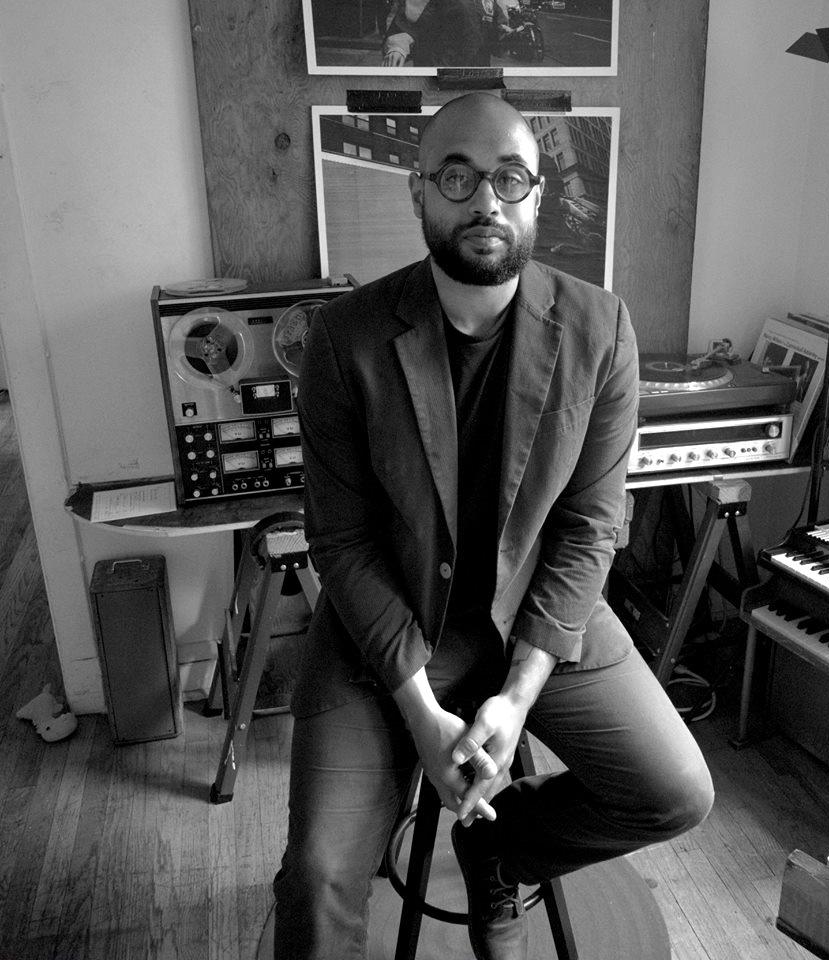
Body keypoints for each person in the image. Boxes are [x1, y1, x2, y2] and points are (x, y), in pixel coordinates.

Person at [273, 92, 714, 960]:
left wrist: (518, 697)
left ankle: (500, 845)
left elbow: (591, 527)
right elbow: (342, 543)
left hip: (541, 618)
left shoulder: (602, 327)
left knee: (677, 793)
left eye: (510, 178)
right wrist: (421, 713)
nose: (486, 201)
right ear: (419, 192)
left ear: (538, 195)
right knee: (319, 875)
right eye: (458, 175)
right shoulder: (343, 339)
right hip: (387, 628)